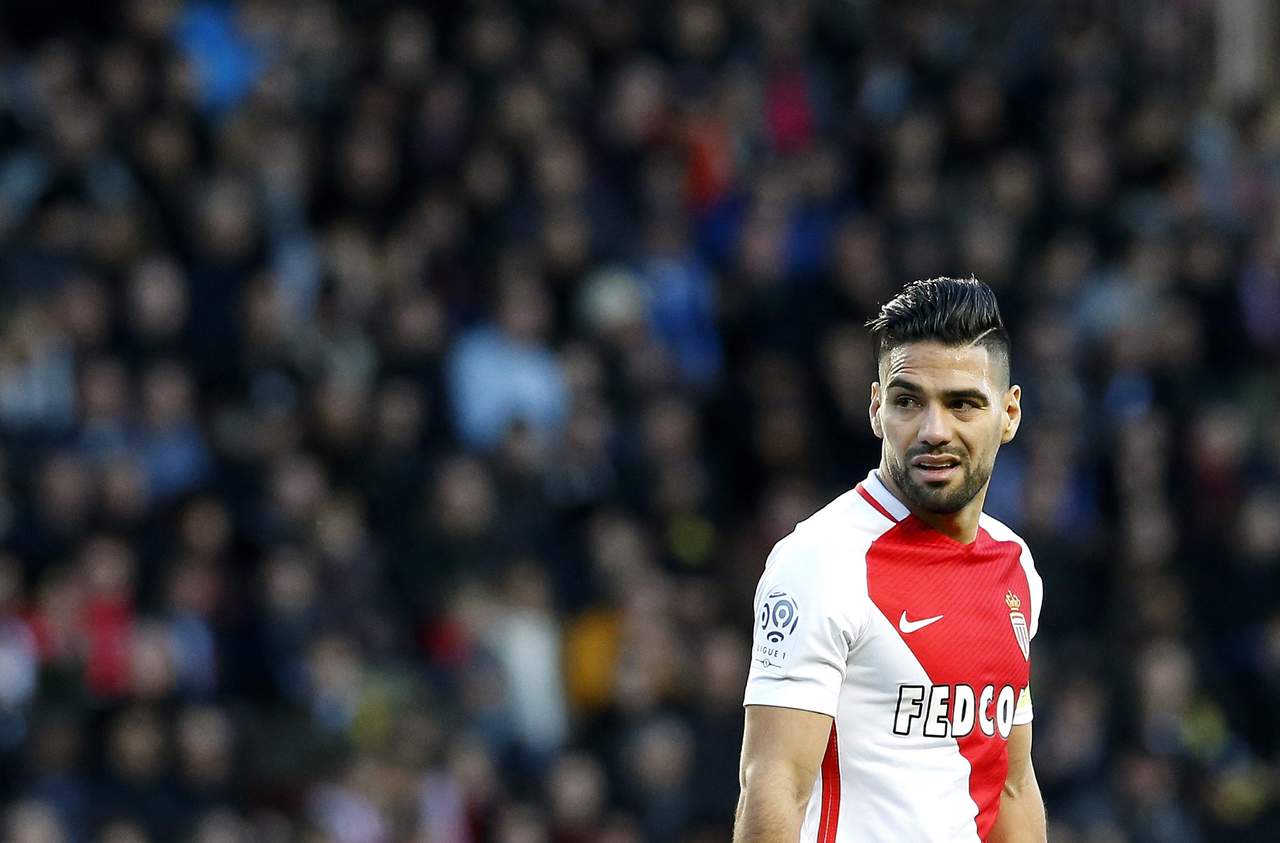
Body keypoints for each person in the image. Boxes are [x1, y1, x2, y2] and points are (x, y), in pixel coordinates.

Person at [734, 277, 1046, 842]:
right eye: (908, 401)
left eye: (962, 404)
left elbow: (1011, 785)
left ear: (1009, 413)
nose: (934, 430)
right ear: (877, 409)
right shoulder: (821, 561)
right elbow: (773, 785)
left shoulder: (1014, 565)